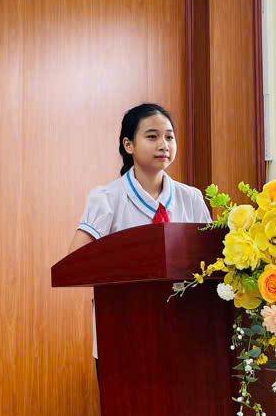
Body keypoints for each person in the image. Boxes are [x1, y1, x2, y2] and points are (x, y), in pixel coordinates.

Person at [67, 103, 211, 371]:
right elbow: (74, 262)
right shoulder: (107, 199)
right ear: (129, 145)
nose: (164, 145)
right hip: (121, 334)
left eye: (169, 137)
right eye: (152, 136)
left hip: (184, 334)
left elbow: (213, 261)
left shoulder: (191, 198)